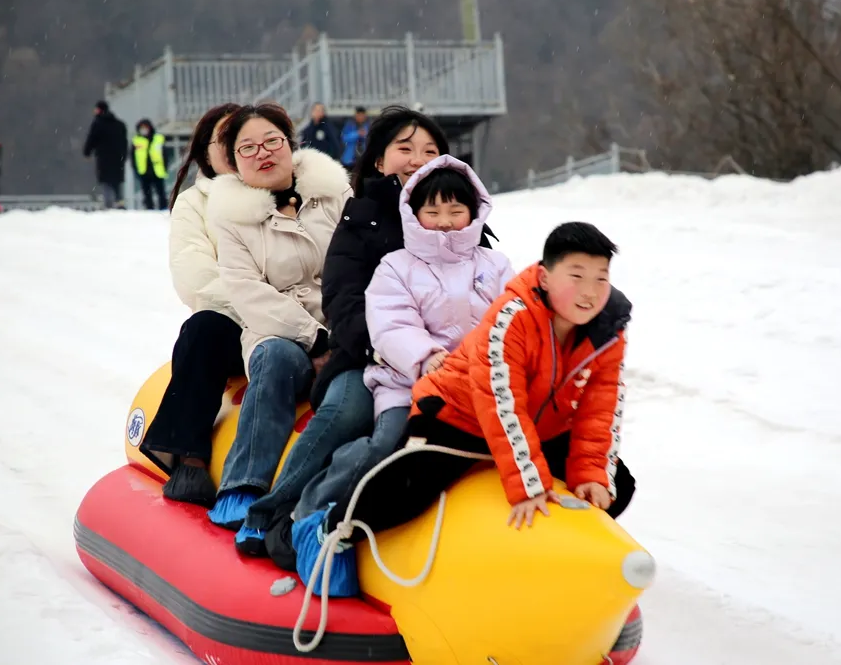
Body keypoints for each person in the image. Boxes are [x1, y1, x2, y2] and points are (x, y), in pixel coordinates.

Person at [291, 222, 638, 597]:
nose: (590, 292)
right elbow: (500, 401)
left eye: (601, 278)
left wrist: (592, 476)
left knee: (617, 482)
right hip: (458, 413)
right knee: (410, 486)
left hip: (537, 425)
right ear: (545, 276)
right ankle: (332, 526)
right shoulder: (513, 316)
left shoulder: (608, 331)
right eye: (576, 275)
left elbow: (601, 407)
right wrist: (528, 484)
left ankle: (562, 563)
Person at [233, 106, 495, 560]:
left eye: (430, 150)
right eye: (405, 148)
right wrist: (387, 351)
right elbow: (342, 299)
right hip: (369, 358)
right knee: (346, 413)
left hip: (453, 370)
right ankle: (274, 511)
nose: (417, 158)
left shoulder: (466, 225)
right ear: (378, 160)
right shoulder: (361, 217)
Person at [204, 102, 351, 534]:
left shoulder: (335, 193)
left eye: (272, 141)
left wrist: (344, 333)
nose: (264, 152)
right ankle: (243, 485)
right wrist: (316, 340)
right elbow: (249, 294)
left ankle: (322, 503)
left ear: (291, 143)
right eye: (248, 148)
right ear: (233, 162)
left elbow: (363, 263)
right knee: (276, 362)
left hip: (347, 320)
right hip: (279, 330)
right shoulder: (230, 219)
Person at [138, 102, 244, 507]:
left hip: (301, 324)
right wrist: (263, 309)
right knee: (203, 329)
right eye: (226, 139)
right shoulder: (194, 204)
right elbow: (197, 280)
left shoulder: (290, 194)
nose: (238, 147)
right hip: (236, 324)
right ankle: (190, 459)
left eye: (245, 138)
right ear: (205, 150)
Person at [83, 101, 128, 208]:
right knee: (117, 182)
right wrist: (124, 155)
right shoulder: (119, 124)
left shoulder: (98, 124)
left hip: (104, 158)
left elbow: (92, 139)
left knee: (106, 182)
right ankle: (120, 202)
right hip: (118, 158)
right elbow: (124, 142)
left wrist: (87, 152)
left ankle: (108, 204)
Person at [132, 118, 170, 210]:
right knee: (147, 193)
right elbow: (133, 157)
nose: (144, 130)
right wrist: (136, 170)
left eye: (145, 127)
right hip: (144, 171)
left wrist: (165, 167)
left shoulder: (158, 139)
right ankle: (150, 208)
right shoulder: (136, 140)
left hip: (157, 170)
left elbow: (165, 154)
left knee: (161, 192)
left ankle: (163, 208)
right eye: (142, 128)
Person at [340, 106, 369, 171]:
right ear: (355, 115)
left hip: (363, 160)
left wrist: (365, 135)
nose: (360, 117)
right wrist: (357, 134)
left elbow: (372, 139)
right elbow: (344, 138)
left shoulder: (368, 126)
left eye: (362, 115)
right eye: (359, 115)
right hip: (349, 160)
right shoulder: (349, 125)